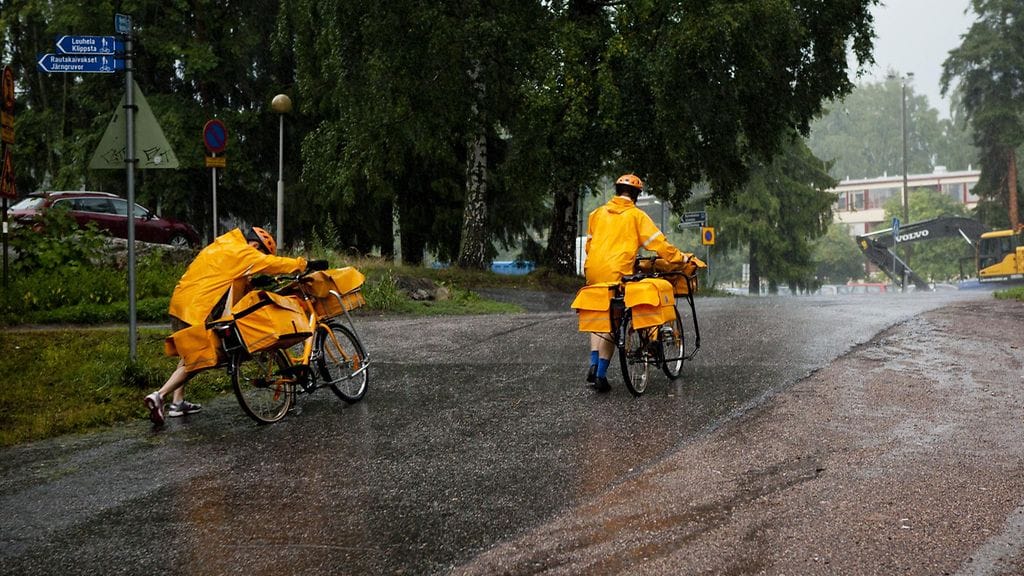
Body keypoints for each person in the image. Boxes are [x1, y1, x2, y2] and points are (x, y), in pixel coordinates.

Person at [143, 226, 308, 425]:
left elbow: (225, 279)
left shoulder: (223, 246)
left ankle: (177, 403)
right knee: (201, 359)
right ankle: (159, 395)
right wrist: (301, 264)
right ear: (255, 245)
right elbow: (270, 263)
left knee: (189, 354)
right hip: (199, 309)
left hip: (180, 304)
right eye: (260, 252)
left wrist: (252, 282)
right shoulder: (243, 252)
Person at [583, 173, 688, 392]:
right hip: (618, 272)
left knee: (599, 314)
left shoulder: (596, 214)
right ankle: (601, 374)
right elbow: (659, 244)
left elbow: (589, 246)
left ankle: (593, 364)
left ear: (616, 191)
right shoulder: (636, 216)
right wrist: (680, 258)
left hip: (593, 271)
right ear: (637, 195)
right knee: (615, 320)